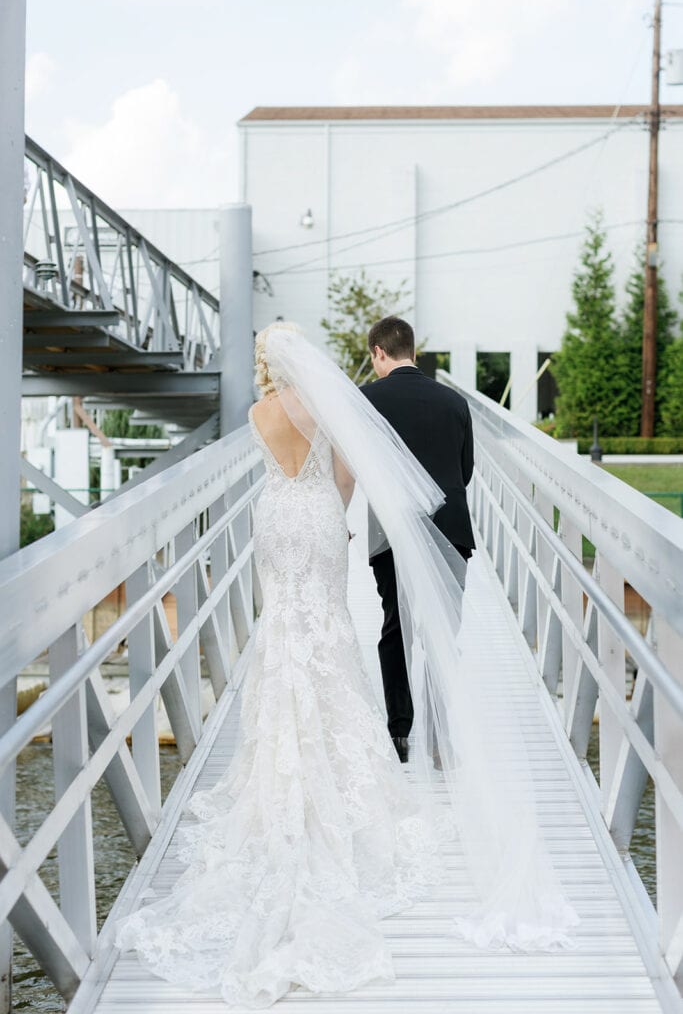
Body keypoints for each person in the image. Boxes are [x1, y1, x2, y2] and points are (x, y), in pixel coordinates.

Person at [115, 322, 578, 1009]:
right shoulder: (365, 405)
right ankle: (410, 731)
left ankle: (369, 726)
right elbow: (348, 473)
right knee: (332, 627)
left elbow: (278, 469)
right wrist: (337, 512)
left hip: (277, 522)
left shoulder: (256, 412)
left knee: (290, 630)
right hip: (334, 521)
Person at [360, 316, 475, 764]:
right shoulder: (454, 402)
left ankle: (400, 732)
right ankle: (441, 734)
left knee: (396, 627)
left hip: (393, 532)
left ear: (378, 353)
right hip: (452, 531)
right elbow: (465, 471)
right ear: (413, 350)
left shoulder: (366, 399)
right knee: (443, 632)